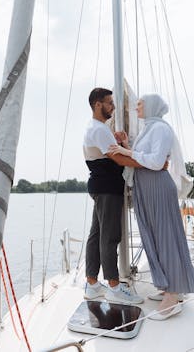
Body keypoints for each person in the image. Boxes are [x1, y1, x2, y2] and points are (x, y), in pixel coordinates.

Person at [108, 94, 194, 320]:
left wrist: (127, 153)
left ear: (151, 107)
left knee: (165, 237)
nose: (136, 107)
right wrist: (128, 146)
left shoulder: (160, 129)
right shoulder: (149, 129)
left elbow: (157, 162)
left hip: (157, 188)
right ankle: (168, 286)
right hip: (147, 188)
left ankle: (172, 297)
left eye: (140, 104)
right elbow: (147, 157)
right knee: (154, 238)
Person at [83, 88, 143, 304]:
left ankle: (92, 284)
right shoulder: (99, 129)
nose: (113, 107)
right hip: (108, 188)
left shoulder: (96, 128)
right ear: (97, 104)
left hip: (100, 186)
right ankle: (115, 287)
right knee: (109, 237)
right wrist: (147, 164)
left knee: (96, 235)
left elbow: (111, 152)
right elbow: (117, 158)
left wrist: (118, 142)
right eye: (110, 103)